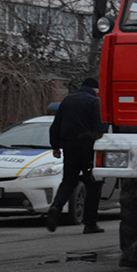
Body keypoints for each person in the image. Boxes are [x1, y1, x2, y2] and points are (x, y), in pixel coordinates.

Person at [46, 77, 107, 234]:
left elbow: (55, 126)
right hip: (88, 147)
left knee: (68, 181)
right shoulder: (94, 102)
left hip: (69, 147)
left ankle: (56, 206)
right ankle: (90, 223)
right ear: (95, 89)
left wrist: (55, 147)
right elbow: (100, 127)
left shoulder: (68, 101)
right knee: (93, 184)